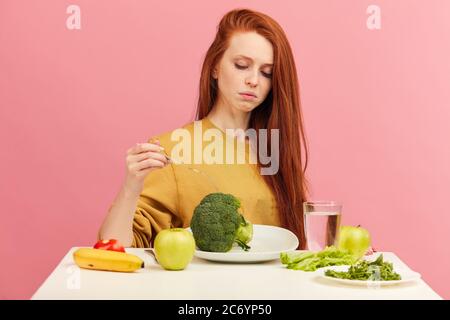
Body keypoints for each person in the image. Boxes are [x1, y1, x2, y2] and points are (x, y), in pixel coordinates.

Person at [98, 8, 309, 248]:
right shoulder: (172, 150)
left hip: (273, 286)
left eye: (267, 73)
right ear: (215, 67)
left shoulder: (273, 150)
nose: (254, 80)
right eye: (241, 65)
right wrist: (130, 187)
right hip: (204, 286)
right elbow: (115, 246)